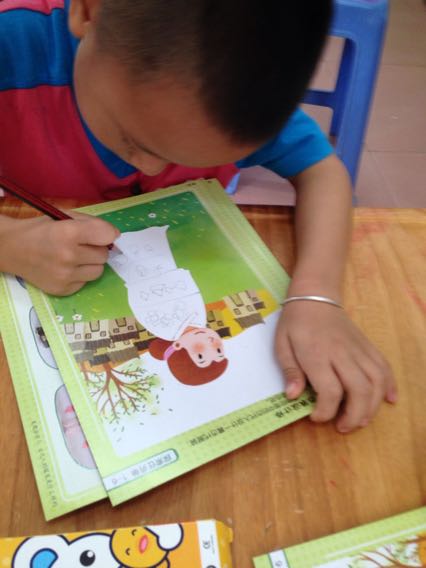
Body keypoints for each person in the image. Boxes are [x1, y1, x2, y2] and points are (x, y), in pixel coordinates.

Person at [0, 0, 397, 433]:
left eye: (191, 158)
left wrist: (316, 296)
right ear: (88, 11)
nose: (150, 170)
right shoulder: (13, 46)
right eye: (133, 139)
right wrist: (9, 244)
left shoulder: (244, 83)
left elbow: (321, 170)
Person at [109, 225, 228, 385]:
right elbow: (192, 295)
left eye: (200, 356)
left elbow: (142, 307)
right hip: (168, 274)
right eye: (218, 350)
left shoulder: (165, 330)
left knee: (132, 259)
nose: (211, 343)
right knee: (154, 252)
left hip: (145, 283)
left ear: (178, 346)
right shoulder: (200, 320)